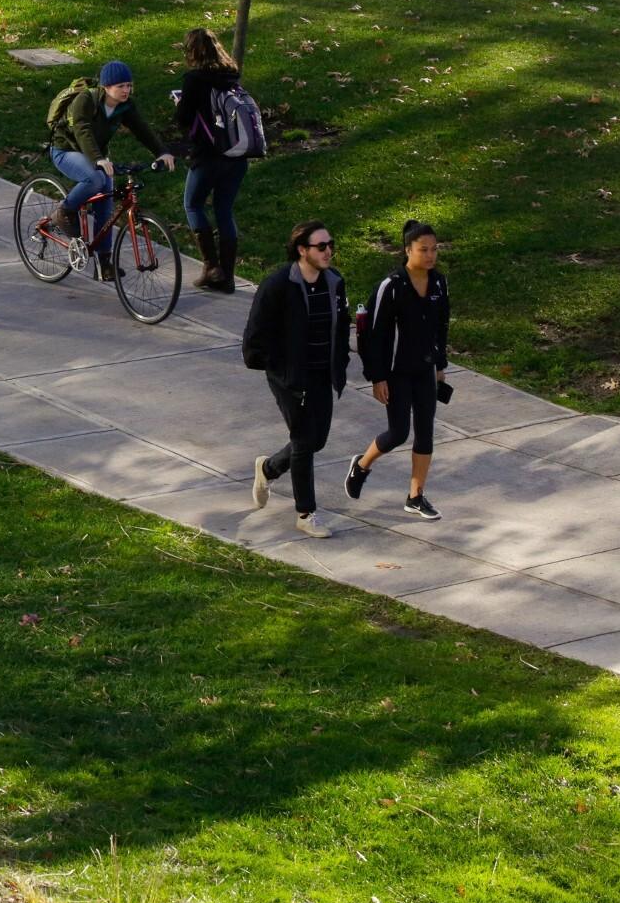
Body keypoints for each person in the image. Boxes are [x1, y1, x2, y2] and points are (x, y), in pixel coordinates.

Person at [242, 220, 349, 538]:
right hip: (288, 375)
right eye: (321, 246)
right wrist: (275, 366)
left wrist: (340, 361)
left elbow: (341, 327)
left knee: (317, 440)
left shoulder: (334, 282)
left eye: (330, 244)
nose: (328, 251)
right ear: (302, 250)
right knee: (303, 440)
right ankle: (306, 513)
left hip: (321, 373)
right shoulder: (278, 284)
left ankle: (268, 468)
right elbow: (255, 332)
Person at [345, 220, 450, 521]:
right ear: (407, 250)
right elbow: (372, 336)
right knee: (398, 432)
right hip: (396, 372)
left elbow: (441, 327)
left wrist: (440, 365)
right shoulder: (390, 287)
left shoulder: (439, 283)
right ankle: (361, 465)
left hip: (425, 369)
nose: (430, 256)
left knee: (426, 433)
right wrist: (377, 377)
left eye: (434, 250)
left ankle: (415, 496)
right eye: (423, 250)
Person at [47, 60, 175, 281]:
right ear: (106, 87)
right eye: (120, 86)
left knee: (106, 200)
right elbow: (82, 130)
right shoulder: (86, 99)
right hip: (65, 151)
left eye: (128, 85)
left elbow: (142, 130)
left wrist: (161, 152)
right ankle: (64, 212)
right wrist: (98, 159)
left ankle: (104, 263)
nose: (126, 90)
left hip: (94, 156)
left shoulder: (125, 106)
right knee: (96, 179)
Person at [173, 27, 246, 293]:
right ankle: (227, 277)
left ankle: (211, 267)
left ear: (192, 51)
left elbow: (183, 118)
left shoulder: (194, 79)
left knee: (192, 204)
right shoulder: (231, 75)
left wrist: (179, 104)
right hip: (237, 154)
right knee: (224, 209)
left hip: (208, 155)